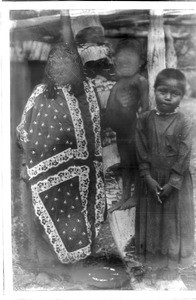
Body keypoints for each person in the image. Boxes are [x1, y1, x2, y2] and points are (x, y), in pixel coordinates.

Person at [16, 10, 106, 265]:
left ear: (76, 68)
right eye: (56, 66)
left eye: (68, 66)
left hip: (84, 169)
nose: (61, 70)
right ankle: (49, 263)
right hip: (48, 167)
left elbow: (94, 127)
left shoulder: (87, 90)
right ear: (49, 68)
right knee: (51, 209)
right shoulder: (43, 93)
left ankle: (80, 258)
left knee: (82, 209)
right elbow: (28, 131)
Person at [135, 68, 194, 280]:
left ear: (181, 97)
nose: (167, 97)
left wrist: (173, 182)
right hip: (151, 179)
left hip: (174, 183)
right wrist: (147, 177)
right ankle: (153, 264)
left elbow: (184, 154)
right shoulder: (144, 119)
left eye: (174, 93)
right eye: (162, 91)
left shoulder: (184, 122)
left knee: (171, 223)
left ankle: (170, 267)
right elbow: (141, 151)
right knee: (153, 222)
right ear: (154, 91)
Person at [106, 38, 149, 212]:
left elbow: (145, 107)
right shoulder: (117, 85)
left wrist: (141, 125)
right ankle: (125, 195)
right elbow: (110, 110)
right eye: (121, 61)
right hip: (122, 132)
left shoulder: (140, 81)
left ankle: (137, 195)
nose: (124, 64)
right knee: (125, 163)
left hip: (135, 131)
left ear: (140, 63)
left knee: (137, 164)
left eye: (129, 61)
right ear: (115, 62)